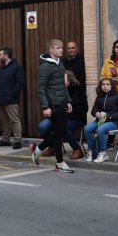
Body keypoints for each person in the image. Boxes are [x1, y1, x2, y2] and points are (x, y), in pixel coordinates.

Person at [30, 40, 74, 173]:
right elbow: (40, 88)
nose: (61, 50)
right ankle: (59, 162)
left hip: (62, 102)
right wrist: (45, 107)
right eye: (58, 48)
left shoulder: (60, 64)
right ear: (51, 50)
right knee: (59, 133)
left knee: (61, 131)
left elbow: (62, 85)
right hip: (53, 104)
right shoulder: (45, 67)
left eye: (61, 48)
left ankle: (39, 148)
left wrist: (68, 100)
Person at [37, 70, 86, 160]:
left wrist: (68, 109)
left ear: (70, 80)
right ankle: (53, 147)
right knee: (43, 126)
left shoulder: (78, 91)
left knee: (64, 129)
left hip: (75, 118)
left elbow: (83, 109)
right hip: (57, 117)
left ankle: (77, 150)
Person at [83, 78, 118, 163]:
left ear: (112, 86)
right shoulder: (99, 97)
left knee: (100, 130)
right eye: (103, 84)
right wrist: (96, 113)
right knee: (87, 128)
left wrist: (110, 116)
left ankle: (103, 153)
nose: (105, 86)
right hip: (100, 121)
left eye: (107, 84)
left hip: (114, 122)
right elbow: (94, 110)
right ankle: (92, 152)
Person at [0, 47, 25, 149]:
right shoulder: (0, 69)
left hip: (11, 100)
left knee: (14, 120)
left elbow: (20, 82)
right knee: (4, 121)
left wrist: (12, 93)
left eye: (0, 54)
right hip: (1, 99)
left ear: (6, 56)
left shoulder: (16, 67)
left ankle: (17, 141)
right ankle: (5, 139)